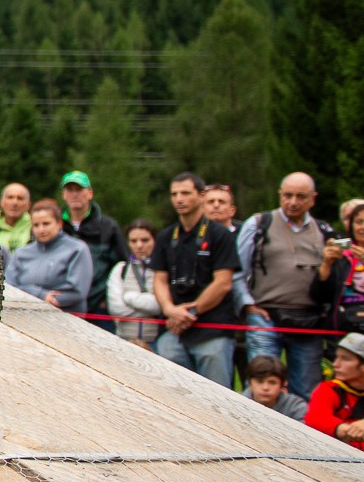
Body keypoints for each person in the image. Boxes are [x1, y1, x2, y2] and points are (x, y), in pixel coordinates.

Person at [236, 172, 330, 405]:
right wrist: (247, 304)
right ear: (279, 195)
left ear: (313, 199)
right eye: (287, 195)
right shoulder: (259, 224)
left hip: (309, 321)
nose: (293, 202)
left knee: (307, 392)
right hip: (265, 316)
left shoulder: (324, 231)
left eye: (301, 196)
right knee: (260, 390)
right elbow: (237, 270)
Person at [150, 172, 241, 388]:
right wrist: (169, 309)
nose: (179, 199)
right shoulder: (166, 237)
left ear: (201, 196)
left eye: (185, 193)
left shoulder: (220, 235)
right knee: (172, 393)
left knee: (218, 397)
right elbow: (159, 279)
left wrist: (191, 311)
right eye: (174, 194)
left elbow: (223, 282)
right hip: (174, 330)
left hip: (212, 328)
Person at [57, 171, 122, 328]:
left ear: (90, 193)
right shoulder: (53, 226)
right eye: (69, 190)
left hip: (98, 307)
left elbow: (122, 265)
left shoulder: (108, 227)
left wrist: (109, 298)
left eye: (79, 189)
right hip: (61, 306)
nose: (74, 194)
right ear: (64, 195)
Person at [5, 200, 92, 312]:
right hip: (24, 317)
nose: (41, 229)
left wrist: (55, 298)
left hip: (67, 321)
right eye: (36, 225)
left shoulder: (77, 249)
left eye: (46, 224)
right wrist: (41, 295)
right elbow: (8, 287)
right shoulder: (21, 253)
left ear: (59, 223)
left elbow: (77, 291)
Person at [104, 221, 165, 348]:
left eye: (145, 240)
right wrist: (150, 311)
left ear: (155, 241)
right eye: (133, 241)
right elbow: (117, 309)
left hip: (156, 343)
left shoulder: (163, 269)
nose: (139, 245)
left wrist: (128, 298)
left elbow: (161, 306)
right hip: (124, 341)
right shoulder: (120, 269)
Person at [304, 332, 363, 450]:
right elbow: (315, 418)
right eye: (336, 357)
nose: (335, 364)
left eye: (345, 359)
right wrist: (348, 430)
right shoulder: (329, 389)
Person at [314, 200, 364, 338]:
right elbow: (319, 296)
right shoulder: (342, 255)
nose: (362, 227)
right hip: (344, 327)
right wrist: (326, 264)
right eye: (359, 222)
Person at [241, 354, 310, 422]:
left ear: (282, 385)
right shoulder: (238, 403)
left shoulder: (295, 407)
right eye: (260, 381)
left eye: (272, 383)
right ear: (250, 383)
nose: (265, 388)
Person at [0, 183, 33, 254]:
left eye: (20, 198)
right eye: (10, 197)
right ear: (1, 202)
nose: (14, 203)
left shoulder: (36, 229)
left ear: (28, 205)